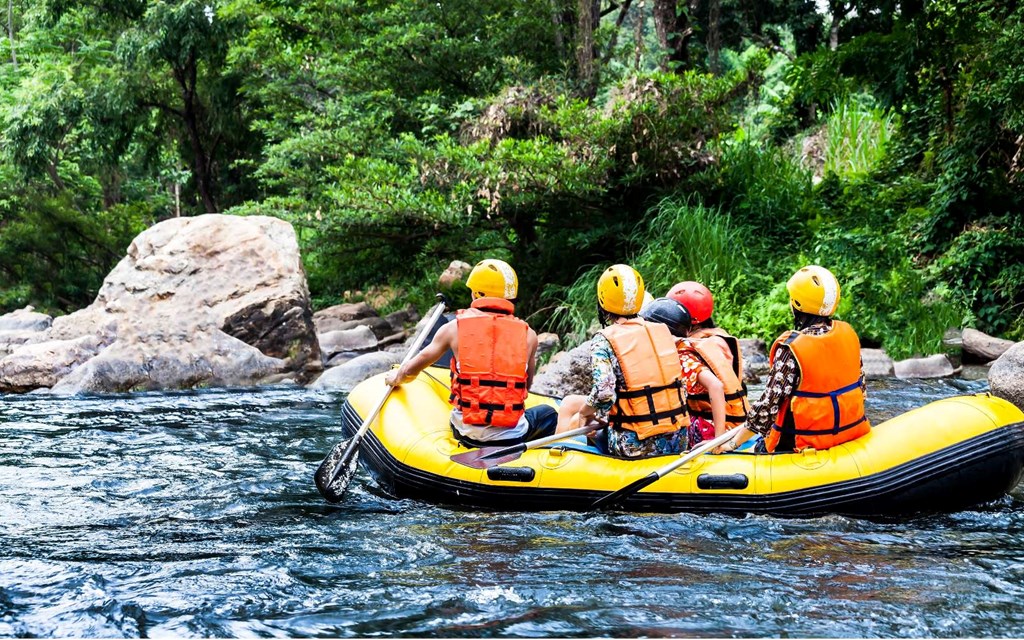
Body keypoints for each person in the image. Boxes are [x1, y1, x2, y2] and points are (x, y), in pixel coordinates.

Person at [384, 259, 557, 447]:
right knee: (549, 414)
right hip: (512, 436)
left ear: (476, 293)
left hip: (465, 433)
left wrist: (396, 376)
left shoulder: (454, 328)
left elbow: (410, 370)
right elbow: (527, 385)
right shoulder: (529, 335)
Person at [717, 265, 870, 454]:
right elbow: (861, 388)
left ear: (796, 303)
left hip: (799, 444)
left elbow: (767, 407)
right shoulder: (847, 333)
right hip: (848, 431)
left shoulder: (791, 348)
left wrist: (732, 444)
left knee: (759, 443)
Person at [555, 265, 687, 458]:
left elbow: (604, 393)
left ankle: (557, 465)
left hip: (634, 445)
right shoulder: (661, 330)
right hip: (678, 438)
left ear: (602, 300)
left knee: (579, 417)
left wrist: (584, 414)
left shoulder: (604, 339)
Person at [665, 281, 751, 447]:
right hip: (738, 423)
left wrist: (716, 442)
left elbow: (715, 386)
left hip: (716, 427)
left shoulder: (689, 348)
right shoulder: (718, 337)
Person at [639, 297, 730, 449]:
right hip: (720, 423)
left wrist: (718, 440)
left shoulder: (682, 357)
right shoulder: (682, 346)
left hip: (710, 429)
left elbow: (716, 386)